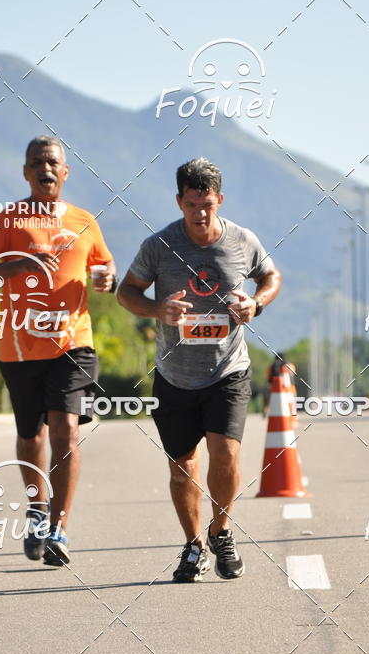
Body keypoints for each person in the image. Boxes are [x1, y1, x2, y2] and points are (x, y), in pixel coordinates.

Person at [117, 157, 281, 583]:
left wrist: (255, 303)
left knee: (225, 454)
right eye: (191, 205)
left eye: (207, 204)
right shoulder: (159, 246)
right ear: (178, 202)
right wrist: (157, 309)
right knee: (182, 466)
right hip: (174, 377)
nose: (200, 213)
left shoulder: (242, 241)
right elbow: (125, 292)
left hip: (228, 371)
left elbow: (271, 276)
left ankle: (221, 531)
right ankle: (193, 546)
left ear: (219, 200)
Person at [0, 136, 117, 565]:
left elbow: (105, 265)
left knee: (65, 429)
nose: (46, 169)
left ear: (66, 172)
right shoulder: (6, 219)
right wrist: (17, 266)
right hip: (20, 349)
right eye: (37, 163)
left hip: (73, 344)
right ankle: (36, 508)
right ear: (25, 172)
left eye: (53, 162)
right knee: (31, 436)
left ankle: (59, 529)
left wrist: (107, 279)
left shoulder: (85, 220)